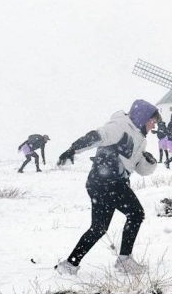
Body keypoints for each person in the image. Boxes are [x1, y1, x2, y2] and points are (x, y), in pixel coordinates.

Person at [53, 100, 161, 276]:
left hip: (103, 183)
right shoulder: (120, 125)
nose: (153, 126)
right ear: (143, 117)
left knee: (99, 228)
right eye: (152, 121)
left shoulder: (140, 138)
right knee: (135, 214)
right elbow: (97, 136)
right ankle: (125, 261)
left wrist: (150, 163)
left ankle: (69, 265)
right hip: (108, 180)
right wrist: (72, 150)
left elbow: (139, 168)